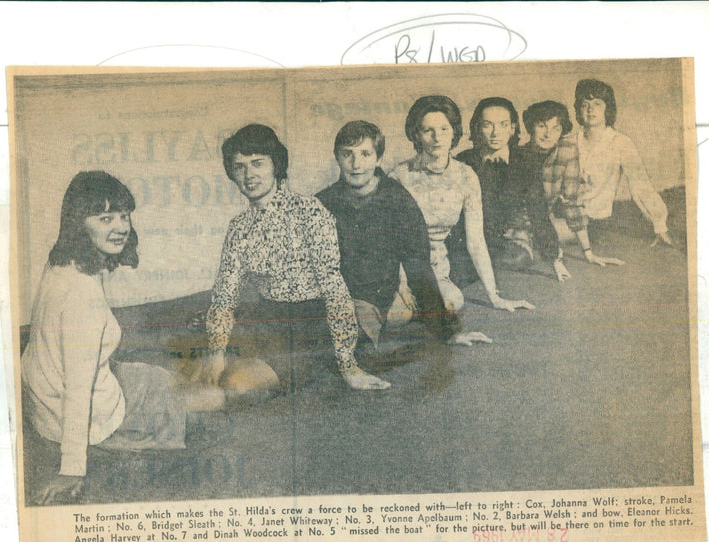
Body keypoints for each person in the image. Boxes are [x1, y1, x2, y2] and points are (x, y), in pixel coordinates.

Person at [21, 171, 224, 505]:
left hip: (47, 404)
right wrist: (71, 469)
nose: (120, 226)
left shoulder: (63, 263)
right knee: (212, 401)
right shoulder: (81, 302)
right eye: (105, 218)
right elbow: (78, 390)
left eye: (123, 216)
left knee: (160, 377)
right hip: (89, 417)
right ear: (79, 222)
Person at [201, 124, 389, 392]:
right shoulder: (239, 226)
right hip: (266, 321)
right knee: (201, 373)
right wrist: (216, 351)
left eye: (257, 164)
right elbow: (224, 295)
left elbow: (334, 290)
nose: (249, 175)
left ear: (276, 165)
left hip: (312, 325)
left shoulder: (309, 211)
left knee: (234, 386)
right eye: (240, 166)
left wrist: (348, 366)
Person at [315, 120, 491, 352]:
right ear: (337, 157)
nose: (356, 164)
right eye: (348, 154)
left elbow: (418, 266)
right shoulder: (321, 202)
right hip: (327, 299)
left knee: (338, 342)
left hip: (372, 301)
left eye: (365, 154)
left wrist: (447, 332)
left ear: (378, 159)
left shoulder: (397, 200)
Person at [389, 95, 533, 313]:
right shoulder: (399, 176)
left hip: (437, 271)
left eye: (444, 129)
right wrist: (401, 286)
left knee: (453, 303)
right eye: (428, 130)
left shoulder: (466, 176)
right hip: (398, 269)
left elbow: (476, 241)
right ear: (417, 134)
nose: (437, 137)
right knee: (397, 316)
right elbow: (389, 242)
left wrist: (494, 296)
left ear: (454, 131)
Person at [511, 100, 624, 280]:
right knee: (518, 259)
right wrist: (552, 254)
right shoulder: (516, 156)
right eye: (542, 126)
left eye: (556, 128)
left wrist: (588, 253)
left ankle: (541, 244)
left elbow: (571, 202)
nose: (548, 134)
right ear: (530, 127)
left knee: (581, 229)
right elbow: (527, 209)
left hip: (544, 223)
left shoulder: (567, 152)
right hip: (517, 224)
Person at [573, 78, 672, 247]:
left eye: (597, 103)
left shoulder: (621, 143)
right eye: (585, 104)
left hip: (597, 221)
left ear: (608, 108)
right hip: (567, 216)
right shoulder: (571, 141)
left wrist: (659, 225)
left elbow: (641, 185)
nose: (590, 109)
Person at [451, 97, 527, 265]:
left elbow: (537, 209)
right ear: (477, 128)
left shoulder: (526, 162)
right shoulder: (463, 161)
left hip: (513, 240)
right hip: (473, 238)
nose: (495, 133)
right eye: (487, 125)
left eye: (503, 125)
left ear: (512, 129)